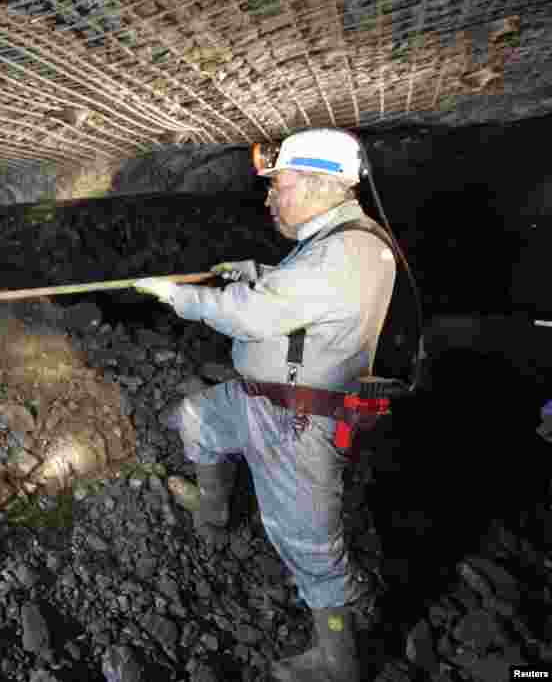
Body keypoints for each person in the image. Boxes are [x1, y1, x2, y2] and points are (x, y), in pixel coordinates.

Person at [133, 128, 397, 682]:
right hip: (264, 400)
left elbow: (253, 317)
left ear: (323, 184)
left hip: (297, 421)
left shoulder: (350, 250)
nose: (270, 197)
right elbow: (305, 293)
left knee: (308, 543)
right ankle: (213, 516)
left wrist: (176, 295)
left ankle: (336, 660)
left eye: (279, 184)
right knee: (197, 419)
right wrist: (259, 274)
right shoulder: (338, 242)